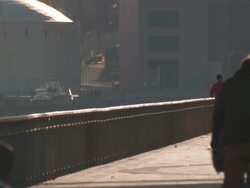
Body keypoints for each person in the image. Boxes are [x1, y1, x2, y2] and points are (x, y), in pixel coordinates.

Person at [211, 55, 250, 187]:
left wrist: (215, 148)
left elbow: (217, 120)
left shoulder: (229, 85)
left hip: (234, 144)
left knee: (232, 183)